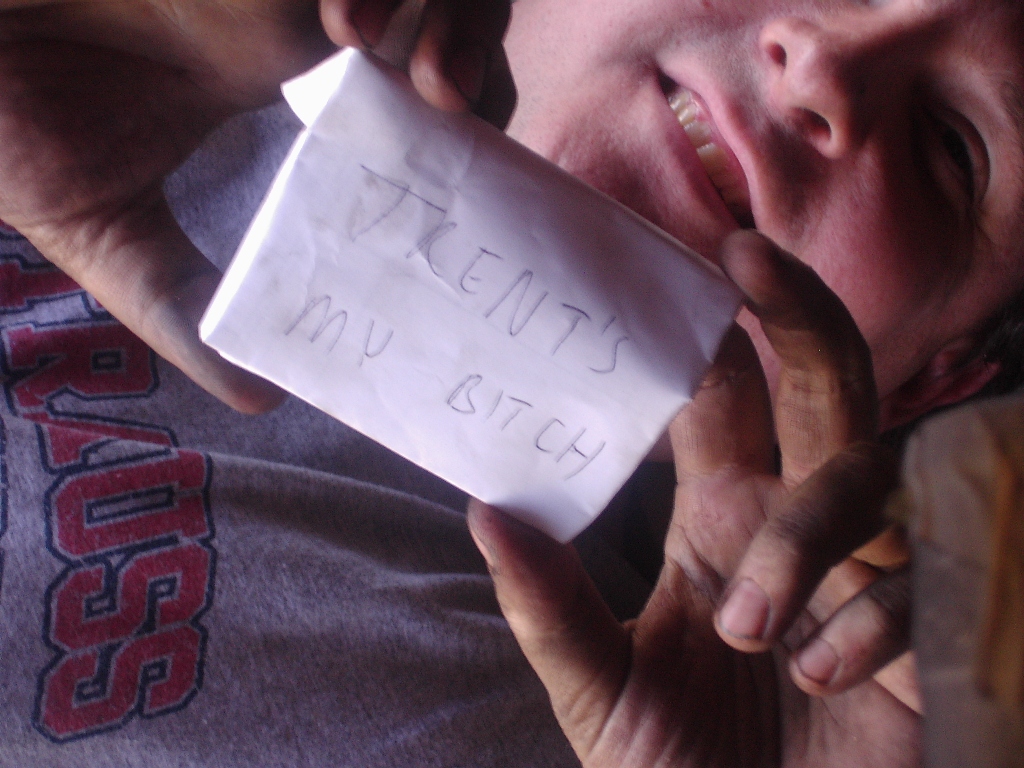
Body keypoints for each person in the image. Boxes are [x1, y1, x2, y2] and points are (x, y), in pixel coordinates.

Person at [0, 0, 1020, 765]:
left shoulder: (642, 716)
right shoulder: (105, 38)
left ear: (927, 384)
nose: (822, 66)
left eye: (951, 147)